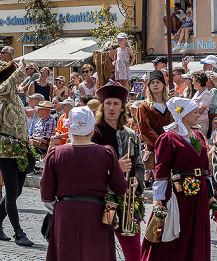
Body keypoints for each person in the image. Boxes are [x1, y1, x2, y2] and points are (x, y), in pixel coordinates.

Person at [41, 106, 128, 261]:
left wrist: (60, 206)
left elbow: (46, 193)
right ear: (92, 128)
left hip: (65, 212)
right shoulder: (106, 153)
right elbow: (120, 188)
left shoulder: (56, 153)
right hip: (96, 212)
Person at [141, 97, 215, 261]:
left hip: (199, 195)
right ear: (184, 113)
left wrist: (210, 194)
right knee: (173, 234)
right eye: (194, 112)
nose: (198, 114)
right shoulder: (168, 138)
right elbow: (161, 170)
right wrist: (158, 199)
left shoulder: (198, 136)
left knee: (195, 233)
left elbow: (206, 169)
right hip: (177, 194)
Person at [91, 84, 144, 261]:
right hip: (104, 201)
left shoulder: (131, 135)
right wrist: (115, 168)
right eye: (108, 103)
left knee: (134, 250)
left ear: (123, 108)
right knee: (101, 246)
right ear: (102, 106)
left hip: (127, 200)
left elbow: (139, 165)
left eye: (116, 103)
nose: (111, 108)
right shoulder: (93, 134)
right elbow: (88, 166)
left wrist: (137, 181)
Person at [0, 56, 34, 247]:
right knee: (12, 190)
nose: (17, 80)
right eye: (12, 76)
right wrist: (19, 72)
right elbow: (2, 90)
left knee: (18, 190)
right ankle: (19, 232)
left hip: (20, 147)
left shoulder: (14, 95)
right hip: (4, 146)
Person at [137, 70, 173, 185]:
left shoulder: (171, 104)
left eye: (158, 82)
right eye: (152, 83)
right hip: (155, 148)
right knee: (160, 181)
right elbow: (144, 129)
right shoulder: (144, 106)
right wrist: (160, 144)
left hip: (173, 145)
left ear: (163, 85)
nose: (155, 85)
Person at [191, 71, 212, 137]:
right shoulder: (197, 93)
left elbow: (200, 110)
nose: (192, 83)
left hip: (201, 124)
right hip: (194, 123)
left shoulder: (206, 94)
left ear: (198, 81)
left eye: (193, 80)